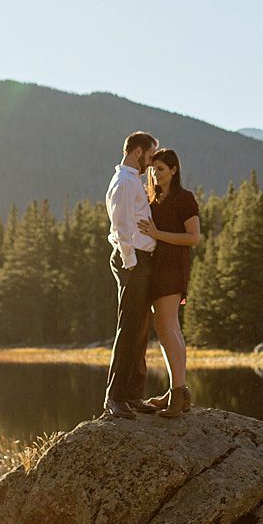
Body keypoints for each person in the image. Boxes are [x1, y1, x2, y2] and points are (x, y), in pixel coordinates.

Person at [137, 148, 202, 417]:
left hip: (173, 267)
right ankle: (178, 391)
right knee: (167, 328)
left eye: (161, 169)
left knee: (167, 327)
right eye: (153, 169)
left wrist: (157, 233)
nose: (155, 173)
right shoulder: (153, 198)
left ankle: (177, 394)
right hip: (156, 267)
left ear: (174, 170)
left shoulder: (184, 198)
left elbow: (193, 237)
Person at [102, 131, 160, 419]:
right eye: (150, 156)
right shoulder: (125, 183)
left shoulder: (131, 181)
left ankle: (134, 395)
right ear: (138, 152)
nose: (151, 163)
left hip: (139, 261)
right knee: (128, 329)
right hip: (133, 262)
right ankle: (115, 398)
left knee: (139, 330)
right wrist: (131, 263)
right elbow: (122, 227)